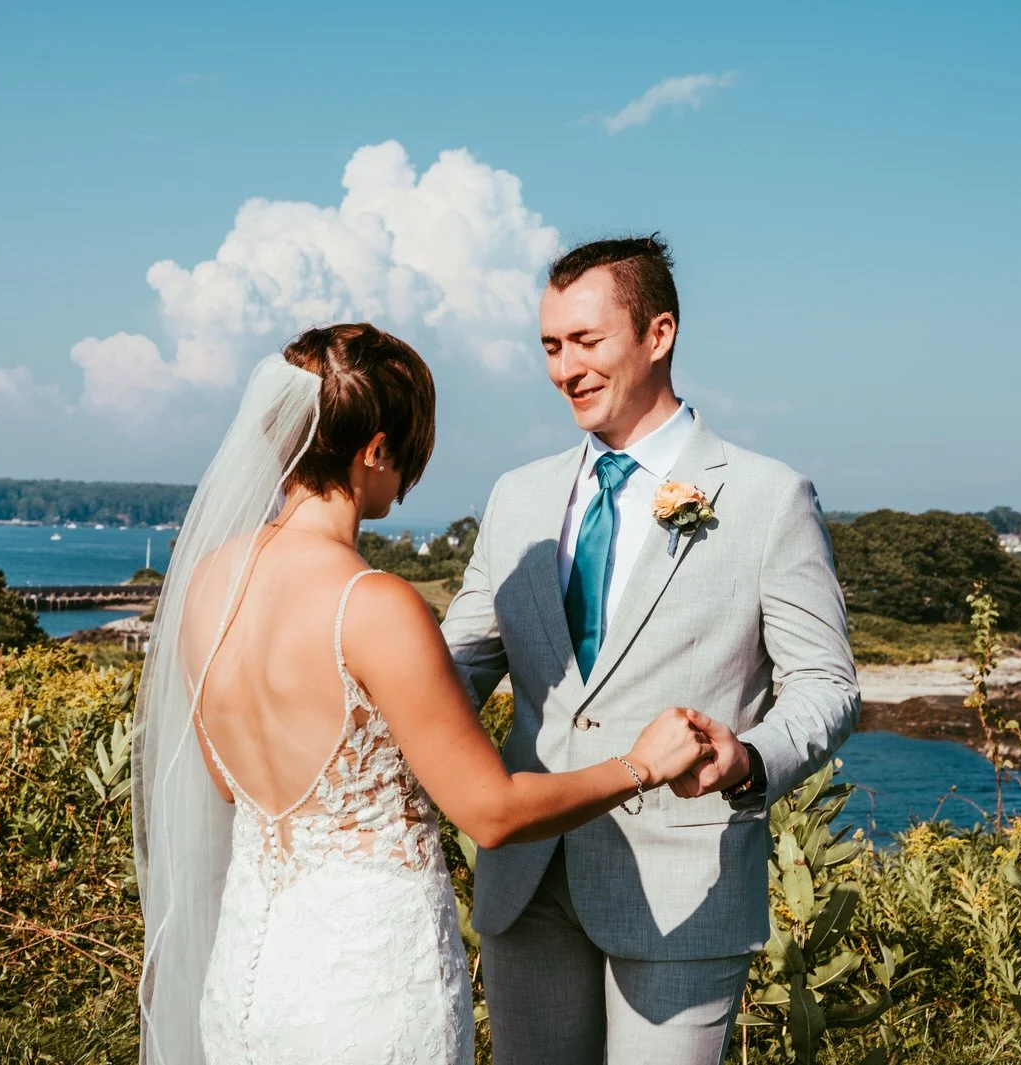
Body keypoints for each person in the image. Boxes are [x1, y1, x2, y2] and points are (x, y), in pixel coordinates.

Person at [132, 322, 726, 1065]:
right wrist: (642, 764)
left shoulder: (209, 580)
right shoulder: (371, 603)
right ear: (376, 449)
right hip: (365, 983)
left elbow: (228, 782)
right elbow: (491, 811)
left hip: (250, 975)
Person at [441, 235, 861, 1063]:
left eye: (586, 341)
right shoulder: (515, 495)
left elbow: (827, 685)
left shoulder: (768, 496)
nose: (565, 369)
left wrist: (749, 758)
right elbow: (454, 665)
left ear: (658, 333)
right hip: (526, 878)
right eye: (551, 346)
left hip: (685, 885)